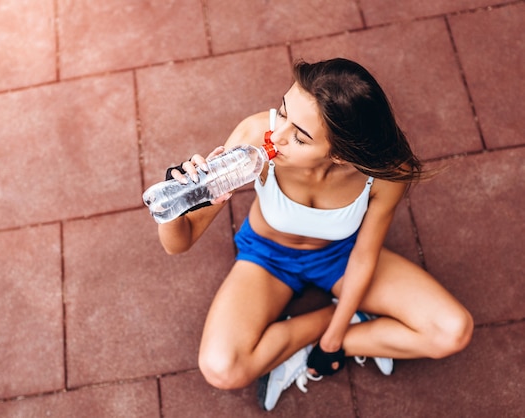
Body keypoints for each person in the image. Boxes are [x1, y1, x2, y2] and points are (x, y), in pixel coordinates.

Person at [154, 58, 473, 411]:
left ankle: (317, 339)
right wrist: (176, 199)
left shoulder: (386, 173)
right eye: (283, 111)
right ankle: (352, 320)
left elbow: (365, 255)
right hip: (267, 255)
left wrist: (334, 342)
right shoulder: (254, 135)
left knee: (453, 331)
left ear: (338, 155)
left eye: (300, 137)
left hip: (340, 257)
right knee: (222, 369)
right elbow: (178, 244)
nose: (275, 137)